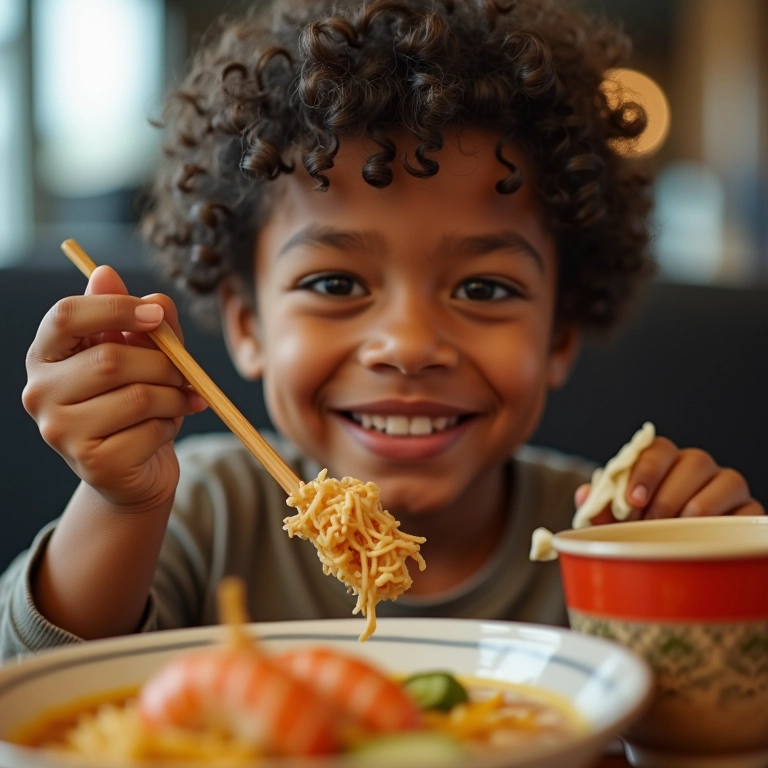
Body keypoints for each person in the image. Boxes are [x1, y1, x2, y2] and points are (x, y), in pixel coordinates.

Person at [0, 0, 762, 659]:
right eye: (335, 283)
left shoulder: (607, 534)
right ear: (247, 323)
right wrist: (119, 505)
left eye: (484, 287)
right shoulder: (198, 510)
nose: (406, 344)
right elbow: (28, 686)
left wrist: (722, 575)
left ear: (559, 334)